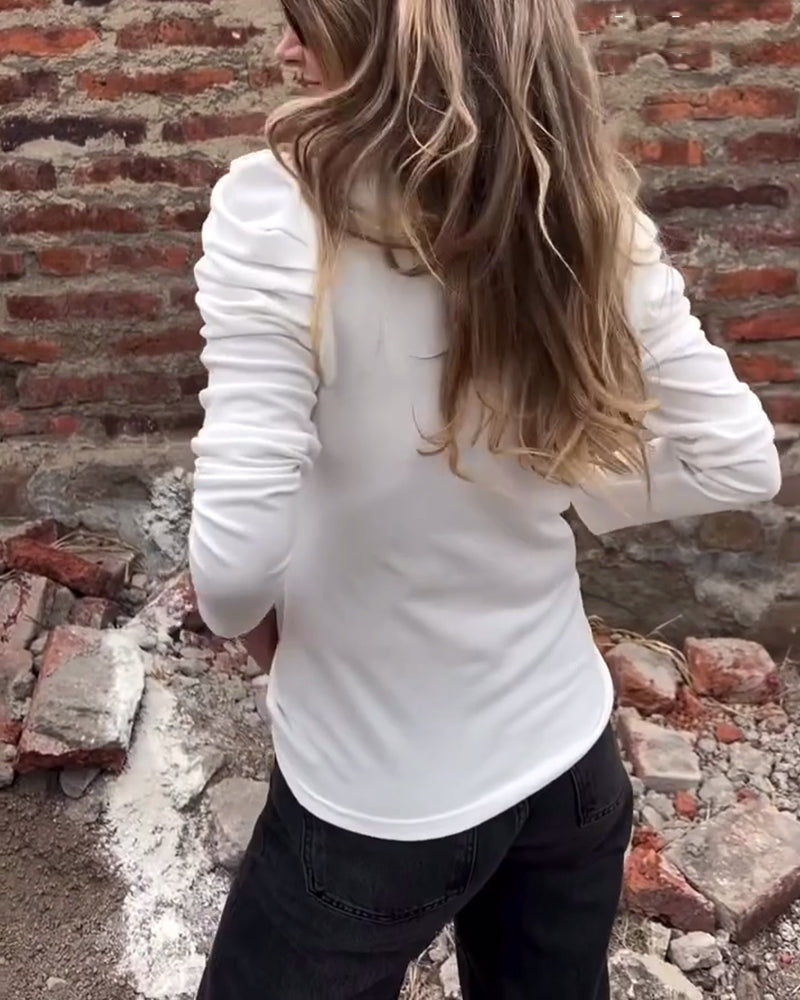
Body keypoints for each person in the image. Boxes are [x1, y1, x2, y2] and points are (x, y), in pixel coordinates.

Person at [188, 0, 781, 996]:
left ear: (389, 35)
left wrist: (258, 632)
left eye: (304, 19)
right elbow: (740, 460)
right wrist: (561, 473)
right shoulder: (587, 211)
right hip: (567, 764)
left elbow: (231, 571)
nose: (284, 47)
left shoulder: (275, 210)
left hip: (375, 799)